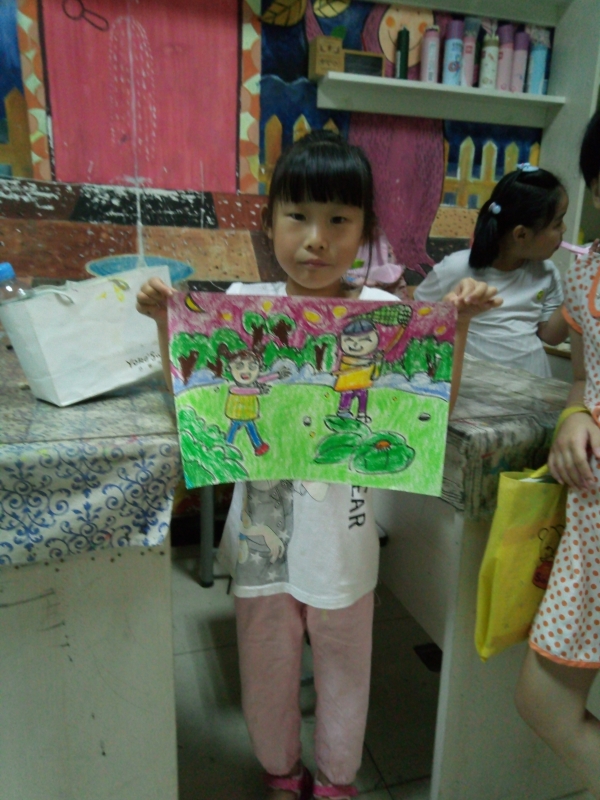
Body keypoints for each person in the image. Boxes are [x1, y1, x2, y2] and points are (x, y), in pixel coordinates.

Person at [136, 130, 500, 800]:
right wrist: (166, 323)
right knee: (265, 663)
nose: (316, 239)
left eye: (338, 220)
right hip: (261, 542)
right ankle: (281, 772)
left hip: (345, 545)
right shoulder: (242, 305)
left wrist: (460, 325)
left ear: (365, 231)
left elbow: (429, 408)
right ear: (269, 222)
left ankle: (336, 781)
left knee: (345, 669)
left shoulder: (383, 316)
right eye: (298, 216)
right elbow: (193, 399)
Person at [515, 111, 600, 798]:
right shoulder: (586, 271)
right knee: (543, 702)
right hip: (591, 523)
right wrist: (574, 415)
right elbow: (581, 378)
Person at [414, 165, 569, 377]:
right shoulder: (456, 268)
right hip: (472, 386)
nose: (564, 229)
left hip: (532, 384)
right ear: (521, 235)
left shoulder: (546, 272)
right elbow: (418, 318)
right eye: (558, 223)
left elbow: (551, 336)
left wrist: (581, 287)